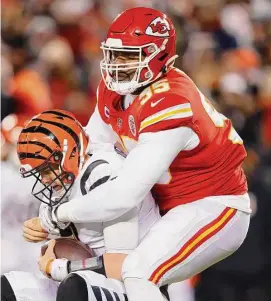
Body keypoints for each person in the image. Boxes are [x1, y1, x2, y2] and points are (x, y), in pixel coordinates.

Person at [38, 7, 251, 301]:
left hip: (213, 204)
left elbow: (124, 195)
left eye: (129, 55)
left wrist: (59, 214)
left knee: (140, 271)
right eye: (114, 54)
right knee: (127, 271)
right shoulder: (114, 90)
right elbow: (87, 156)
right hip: (162, 205)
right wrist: (60, 217)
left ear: (161, 56)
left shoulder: (171, 101)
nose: (117, 64)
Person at [1, 109, 165, 301]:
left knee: (75, 287)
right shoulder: (60, 185)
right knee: (8, 289)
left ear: (68, 153)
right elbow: (60, 251)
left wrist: (59, 267)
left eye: (47, 168)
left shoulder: (104, 172)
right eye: (39, 172)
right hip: (91, 277)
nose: (44, 179)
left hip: (137, 284)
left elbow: (122, 264)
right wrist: (51, 246)